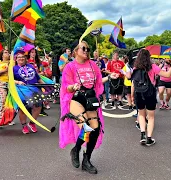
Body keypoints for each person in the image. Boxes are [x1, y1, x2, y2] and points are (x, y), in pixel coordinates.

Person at [59, 41, 118, 174]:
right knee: (86, 127)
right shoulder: (70, 66)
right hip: (76, 98)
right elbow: (66, 86)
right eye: (83, 48)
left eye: (87, 49)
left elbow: (98, 81)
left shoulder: (93, 65)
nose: (86, 51)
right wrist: (73, 87)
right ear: (76, 51)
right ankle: (76, 150)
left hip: (90, 98)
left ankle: (86, 158)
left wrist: (109, 77)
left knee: (95, 130)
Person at [131, 49, 171, 146]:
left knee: (141, 115)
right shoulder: (153, 67)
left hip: (139, 93)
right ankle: (149, 138)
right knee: (150, 117)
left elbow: (133, 83)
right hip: (150, 93)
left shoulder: (135, 68)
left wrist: (132, 95)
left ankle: (142, 135)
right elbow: (167, 75)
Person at [14, 49, 45, 134]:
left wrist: (45, 86)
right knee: (23, 108)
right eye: (19, 57)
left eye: (23, 57)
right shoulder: (13, 68)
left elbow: (38, 78)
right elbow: (10, 80)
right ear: (16, 59)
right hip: (22, 90)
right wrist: (18, 82)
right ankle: (24, 126)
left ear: (25, 58)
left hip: (34, 89)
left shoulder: (31, 66)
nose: (21, 58)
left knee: (38, 106)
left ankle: (32, 123)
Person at [27, 48, 48, 116]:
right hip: (30, 81)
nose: (33, 54)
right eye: (32, 52)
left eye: (34, 52)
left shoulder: (39, 62)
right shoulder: (27, 62)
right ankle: (30, 110)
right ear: (29, 53)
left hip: (38, 80)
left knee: (40, 94)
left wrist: (40, 73)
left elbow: (42, 70)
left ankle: (41, 110)